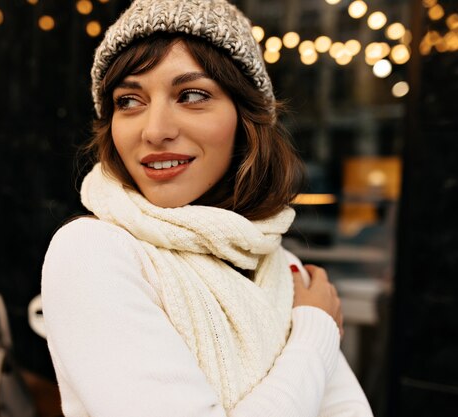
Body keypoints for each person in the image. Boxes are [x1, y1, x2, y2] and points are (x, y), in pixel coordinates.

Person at [41, 0, 373, 415]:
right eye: (129, 101)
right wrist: (315, 334)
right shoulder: (91, 254)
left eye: (192, 95)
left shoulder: (275, 263)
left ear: (246, 117)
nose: (156, 130)